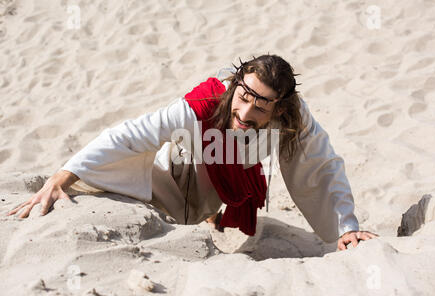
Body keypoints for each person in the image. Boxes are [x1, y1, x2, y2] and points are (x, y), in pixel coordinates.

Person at [5, 54, 377, 250]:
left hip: (217, 190)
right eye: (244, 98)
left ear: (278, 108)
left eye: (260, 107)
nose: (245, 114)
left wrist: (347, 228)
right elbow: (132, 134)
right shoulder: (203, 103)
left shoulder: (295, 119)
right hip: (175, 173)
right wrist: (62, 176)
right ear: (237, 86)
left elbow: (321, 167)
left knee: (216, 186)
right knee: (170, 192)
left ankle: (208, 216)